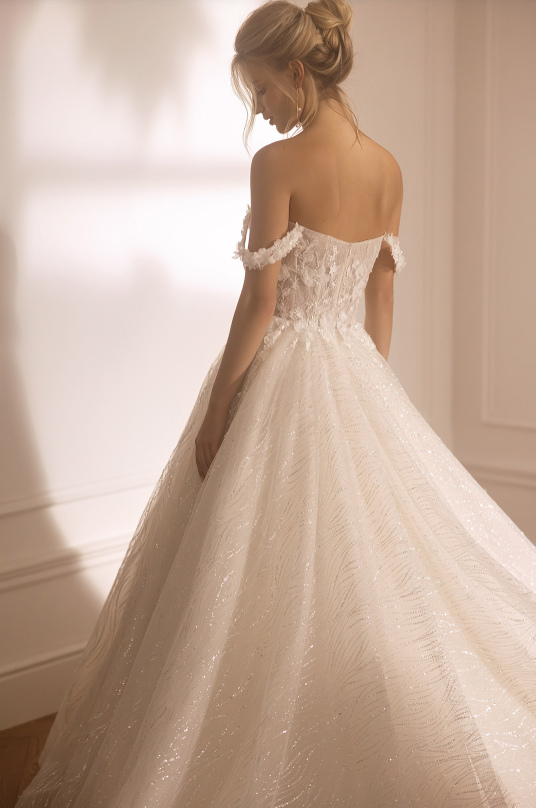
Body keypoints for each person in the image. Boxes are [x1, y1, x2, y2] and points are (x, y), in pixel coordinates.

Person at [17, 1, 536, 805]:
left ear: (297, 72)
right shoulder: (390, 167)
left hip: (285, 369)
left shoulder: (277, 165)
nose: (259, 109)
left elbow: (259, 303)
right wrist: (371, 395)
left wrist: (220, 406)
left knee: (247, 567)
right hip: (356, 368)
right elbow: (382, 294)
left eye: (260, 89)